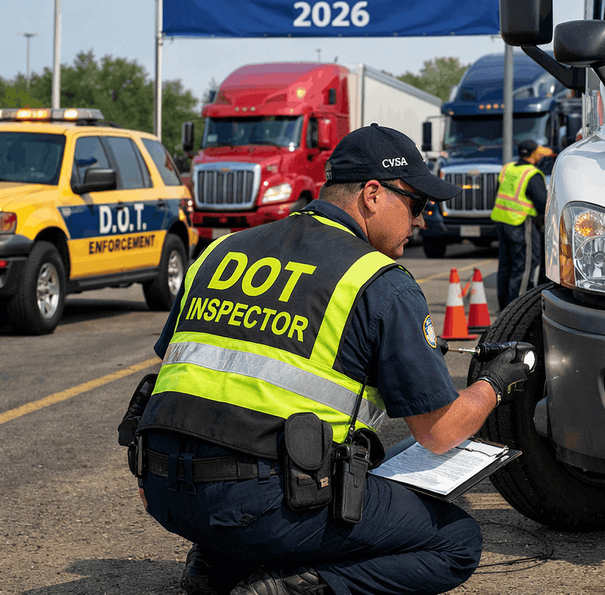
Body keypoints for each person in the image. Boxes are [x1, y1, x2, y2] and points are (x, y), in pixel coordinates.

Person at [133, 124, 529, 595]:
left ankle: (215, 563)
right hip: (259, 506)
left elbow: (176, 374)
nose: (422, 220)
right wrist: (496, 383)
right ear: (373, 194)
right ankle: (297, 587)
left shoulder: (219, 251)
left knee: (322, 464)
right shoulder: (380, 281)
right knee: (455, 541)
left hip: (163, 491)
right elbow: (439, 433)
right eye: (418, 204)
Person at [490, 139, 553, 312]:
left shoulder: (507, 168)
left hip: (502, 221)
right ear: (533, 154)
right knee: (525, 266)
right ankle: (517, 310)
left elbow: (498, 193)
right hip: (521, 223)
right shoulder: (532, 173)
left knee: (505, 266)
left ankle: (504, 307)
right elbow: (542, 203)